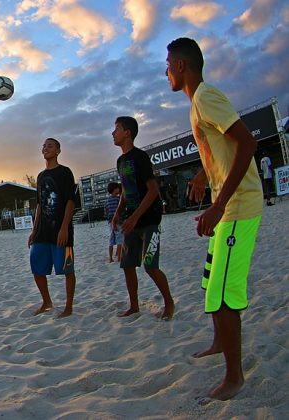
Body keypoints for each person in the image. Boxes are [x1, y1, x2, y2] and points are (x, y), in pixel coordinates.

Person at [166, 37, 263, 400]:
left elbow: (247, 142)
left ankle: (234, 378)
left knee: (223, 294)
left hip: (237, 208)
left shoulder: (206, 96)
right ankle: (220, 343)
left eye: (167, 65)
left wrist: (219, 204)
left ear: (180, 66)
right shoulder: (196, 104)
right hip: (226, 206)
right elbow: (222, 146)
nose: (165, 73)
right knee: (211, 283)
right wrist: (203, 174)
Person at [111, 116, 175, 321]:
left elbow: (153, 190)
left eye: (117, 129)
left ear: (127, 132)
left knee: (150, 266)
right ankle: (134, 306)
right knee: (127, 265)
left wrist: (136, 216)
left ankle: (169, 302)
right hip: (130, 219)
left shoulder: (140, 157)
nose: (113, 133)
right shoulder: (120, 160)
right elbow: (125, 191)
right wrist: (118, 213)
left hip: (148, 220)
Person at [27, 138, 77, 318]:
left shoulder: (65, 172)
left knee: (67, 269)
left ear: (58, 151)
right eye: (44, 146)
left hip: (61, 229)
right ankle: (47, 302)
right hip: (42, 230)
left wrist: (64, 227)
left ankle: (68, 306)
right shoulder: (40, 176)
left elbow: (71, 201)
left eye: (50, 146)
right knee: (36, 266)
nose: (45, 148)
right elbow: (39, 205)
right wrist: (34, 229)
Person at [104, 182, 124, 263]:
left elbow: (106, 212)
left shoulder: (107, 201)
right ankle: (119, 257)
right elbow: (120, 211)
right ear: (115, 189)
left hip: (110, 223)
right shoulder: (118, 199)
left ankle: (110, 258)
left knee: (111, 240)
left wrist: (110, 221)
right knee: (120, 240)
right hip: (118, 222)